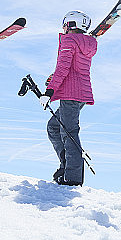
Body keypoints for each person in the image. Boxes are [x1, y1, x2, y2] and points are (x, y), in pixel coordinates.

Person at [41, 11, 97, 186]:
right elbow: (72, 67)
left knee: (68, 132)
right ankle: (66, 167)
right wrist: (54, 79)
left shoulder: (69, 40)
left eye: (65, 24)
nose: (63, 28)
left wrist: (49, 92)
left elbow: (63, 68)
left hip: (71, 93)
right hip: (80, 92)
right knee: (54, 127)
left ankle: (72, 177)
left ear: (71, 24)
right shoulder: (88, 43)